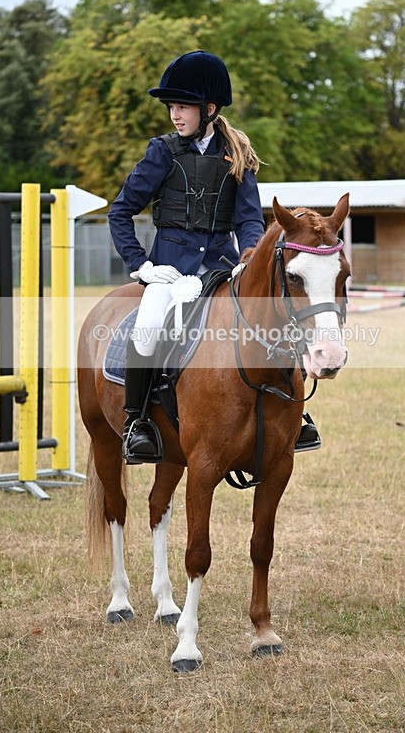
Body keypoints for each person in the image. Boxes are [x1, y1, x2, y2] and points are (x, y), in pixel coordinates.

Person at [109, 50, 320, 464]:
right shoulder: (162, 153)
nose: (174, 115)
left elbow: (248, 219)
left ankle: (297, 414)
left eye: (182, 106)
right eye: (171, 107)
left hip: (223, 266)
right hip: (169, 270)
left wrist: (248, 254)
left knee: (273, 319)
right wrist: (141, 265)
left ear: (208, 109)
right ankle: (138, 423)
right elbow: (121, 211)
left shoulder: (237, 154)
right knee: (150, 326)